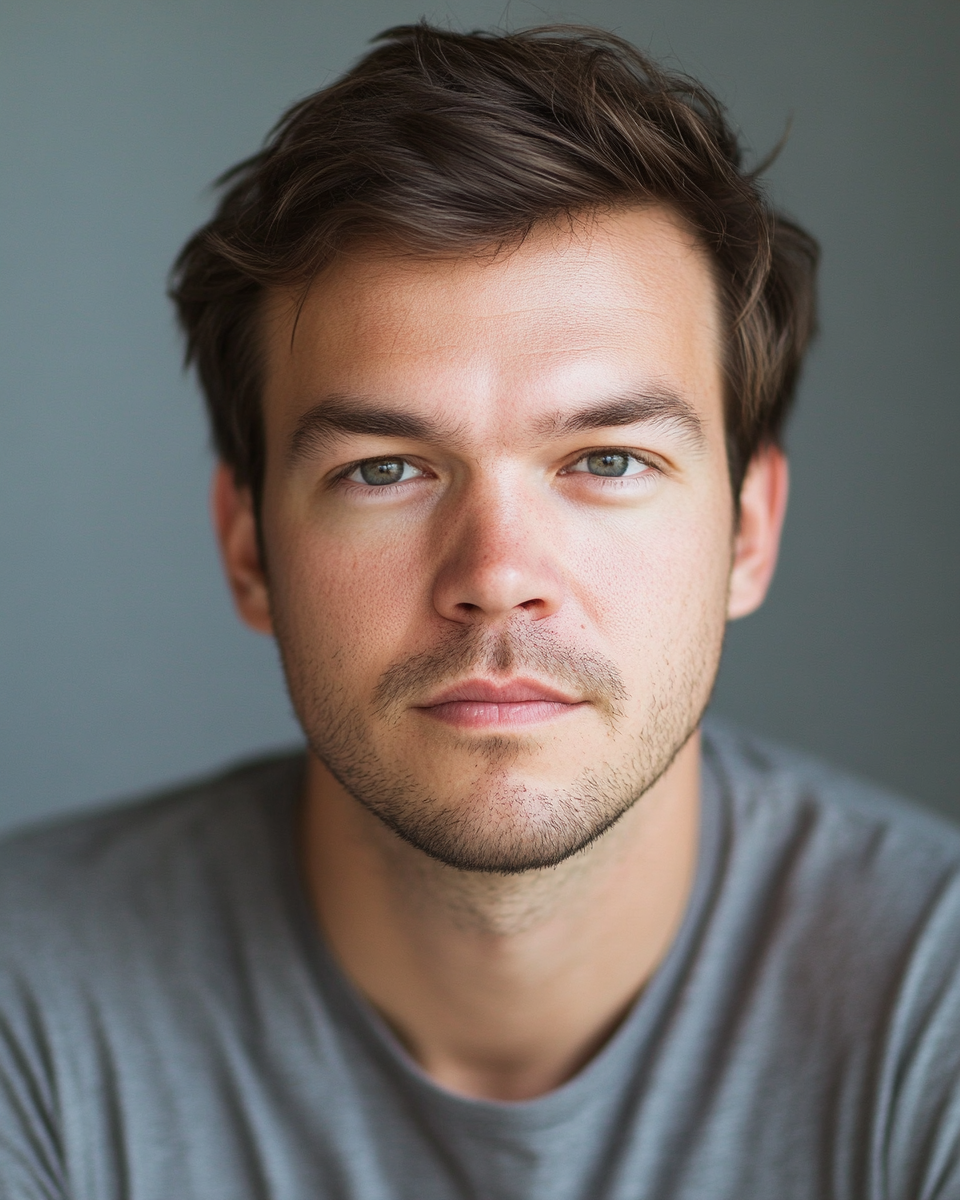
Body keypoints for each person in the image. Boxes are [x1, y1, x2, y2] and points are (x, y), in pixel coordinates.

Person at [1, 22, 958, 1200]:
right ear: (249, 549)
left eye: (607, 461)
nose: (498, 573)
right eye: (384, 470)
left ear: (748, 534)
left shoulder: (935, 1006)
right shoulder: (26, 1007)